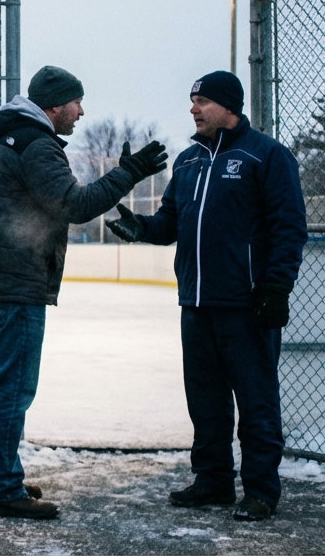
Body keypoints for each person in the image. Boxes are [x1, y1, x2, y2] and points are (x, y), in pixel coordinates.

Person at [0, 65, 167, 519]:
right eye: (76, 102)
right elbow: (75, 204)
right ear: (54, 105)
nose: (81, 111)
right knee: (11, 388)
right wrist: (128, 172)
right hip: (14, 283)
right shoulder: (36, 145)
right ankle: (0, 488)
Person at [108, 71, 306, 522]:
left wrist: (276, 287)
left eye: (201, 101)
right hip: (195, 303)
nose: (193, 109)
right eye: (192, 100)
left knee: (256, 401)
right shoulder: (189, 160)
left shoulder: (266, 156)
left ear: (228, 106)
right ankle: (213, 481)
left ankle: (260, 491)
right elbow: (170, 222)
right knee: (206, 400)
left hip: (246, 304)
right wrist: (142, 228)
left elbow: (289, 227)